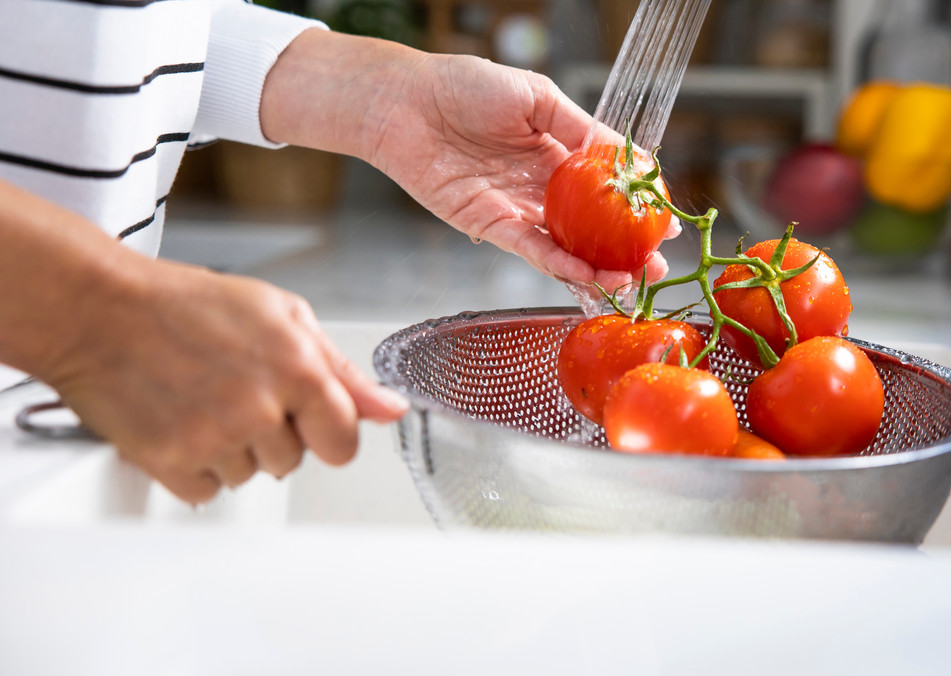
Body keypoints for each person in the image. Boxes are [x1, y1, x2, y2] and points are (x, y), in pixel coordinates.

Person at [0, 0, 672, 503]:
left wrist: (387, 96)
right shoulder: (98, 326)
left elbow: (109, 27)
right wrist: (93, 316)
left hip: (64, 402)